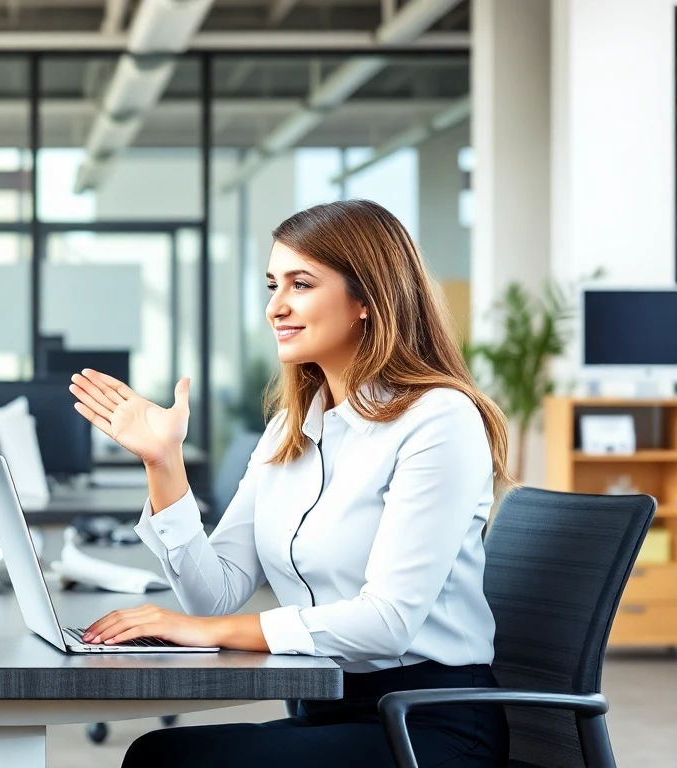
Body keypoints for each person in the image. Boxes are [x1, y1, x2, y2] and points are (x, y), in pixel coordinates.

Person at [68, 199, 512, 768]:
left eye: (300, 284)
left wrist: (199, 631)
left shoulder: (438, 419)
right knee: (159, 751)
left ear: (367, 302)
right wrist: (163, 462)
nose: (276, 306)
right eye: (273, 285)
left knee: (168, 762)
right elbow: (215, 595)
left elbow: (387, 623)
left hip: (426, 724)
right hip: (321, 706)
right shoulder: (291, 428)